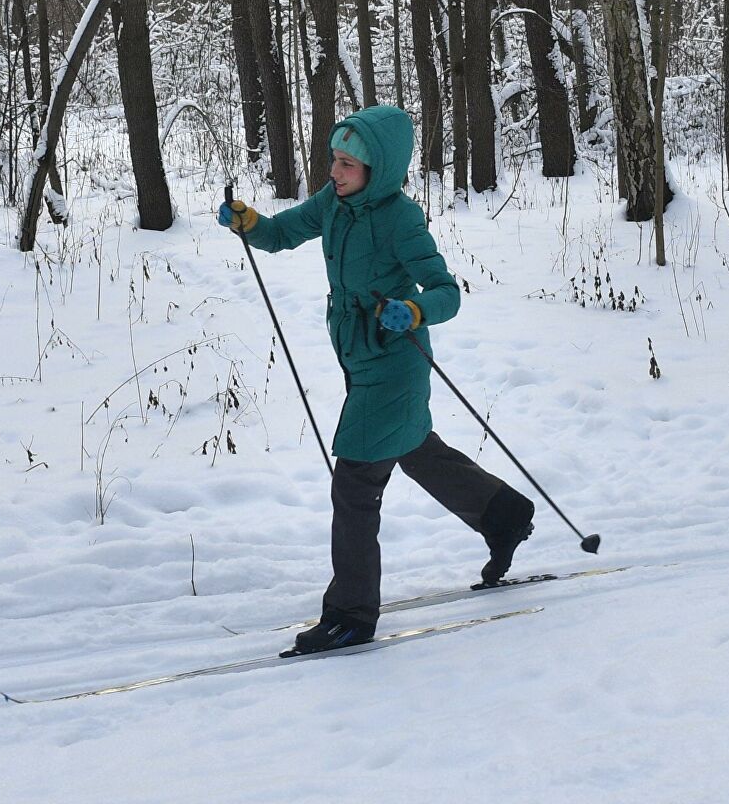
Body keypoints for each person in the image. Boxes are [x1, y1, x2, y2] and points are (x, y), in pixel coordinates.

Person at [219, 104, 535, 654]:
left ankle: (350, 613)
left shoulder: (399, 218)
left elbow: (446, 291)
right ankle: (503, 515)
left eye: (347, 164)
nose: (335, 172)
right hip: (358, 355)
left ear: (378, 169)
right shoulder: (334, 205)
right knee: (414, 449)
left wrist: (414, 311)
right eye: (333, 160)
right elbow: (281, 233)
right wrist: (249, 223)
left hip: (395, 359)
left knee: (356, 483)